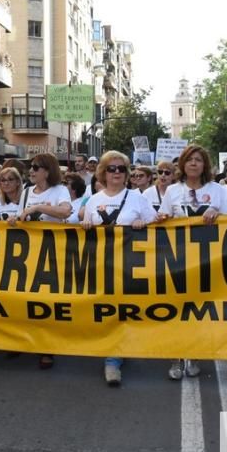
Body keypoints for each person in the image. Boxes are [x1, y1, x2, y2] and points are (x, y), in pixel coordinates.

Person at [81, 150, 158, 386]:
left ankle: (114, 359)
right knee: (107, 309)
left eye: (121, 169)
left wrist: (142, 222)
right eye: (111, 168)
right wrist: (84, 222)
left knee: (123, 309)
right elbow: (82, 222)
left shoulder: (136, 197)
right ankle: (113, 352)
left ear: (127, 174)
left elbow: (156, 220)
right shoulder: (94, 200)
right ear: (103, 173)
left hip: (129, 265)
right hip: (101, 264)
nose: (116, 172)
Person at [159, 144, 227, 381]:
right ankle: (176, 356)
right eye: (190, 159)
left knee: (201, 309)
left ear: (205, 165)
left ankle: (195, 355)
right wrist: (163, 218)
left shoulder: (217, 190)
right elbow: (163, 218)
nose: (193, 164)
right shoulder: (172, 191)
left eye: (198, 160)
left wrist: (216, 213)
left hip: (208, 257)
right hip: (179, 258)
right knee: (178, 308)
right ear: (183, 164)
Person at [18, 152, 72, 369]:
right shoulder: (26, 192)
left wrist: (39, 207)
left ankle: (47, 347)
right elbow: (22, 216)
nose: (31, 171)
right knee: (26, 297)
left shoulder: (59, 191)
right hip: (28, 251)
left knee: (48, 300)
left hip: (52, 252)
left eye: (35, 167)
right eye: (30, 167)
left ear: (47, 171)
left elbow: (65, 212)